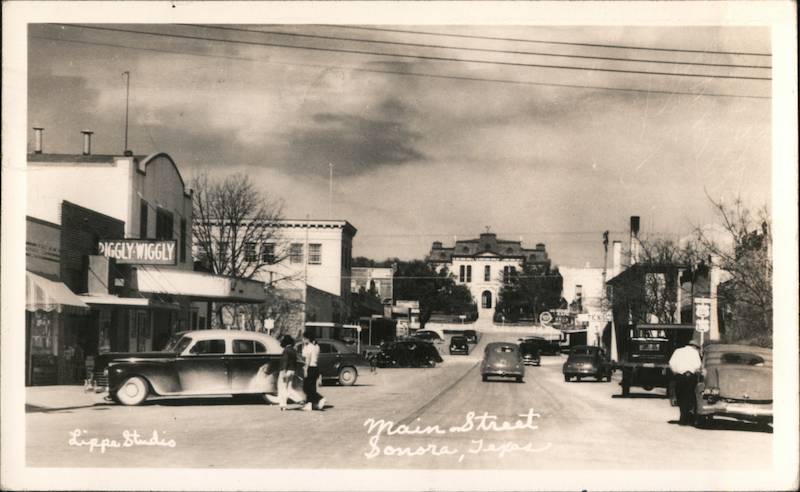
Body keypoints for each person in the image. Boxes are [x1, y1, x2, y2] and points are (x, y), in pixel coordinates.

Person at [669, 340, 703, 425]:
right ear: (695, 347)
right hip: (690, 377)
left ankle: (683, 417)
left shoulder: (678, 351)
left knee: (680, 396)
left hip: (679, 376)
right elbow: (698, 365)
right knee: (689, 397)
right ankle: (685, 418)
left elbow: (671, 363)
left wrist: (676, 372)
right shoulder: (695, 353)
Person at [301, 333, 325, 411]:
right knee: (312, 387)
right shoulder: (315, 347)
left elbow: (308, 358)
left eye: (304, 338)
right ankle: (310, 404)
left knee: (306, 387)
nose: (303, 340)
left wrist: (305, 369)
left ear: (307, 339)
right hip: (315, 367)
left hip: (310, 368)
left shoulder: (309, 347)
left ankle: (320, 398)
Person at [278, 335, 298, 411]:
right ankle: (299, 399)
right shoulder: (293, 350)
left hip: (286, 370)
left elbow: (285, 361)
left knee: (282, 387)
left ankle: (283, 405)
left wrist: (283, 372)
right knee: (289, 388)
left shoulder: (286, 350)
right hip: (292, 370)